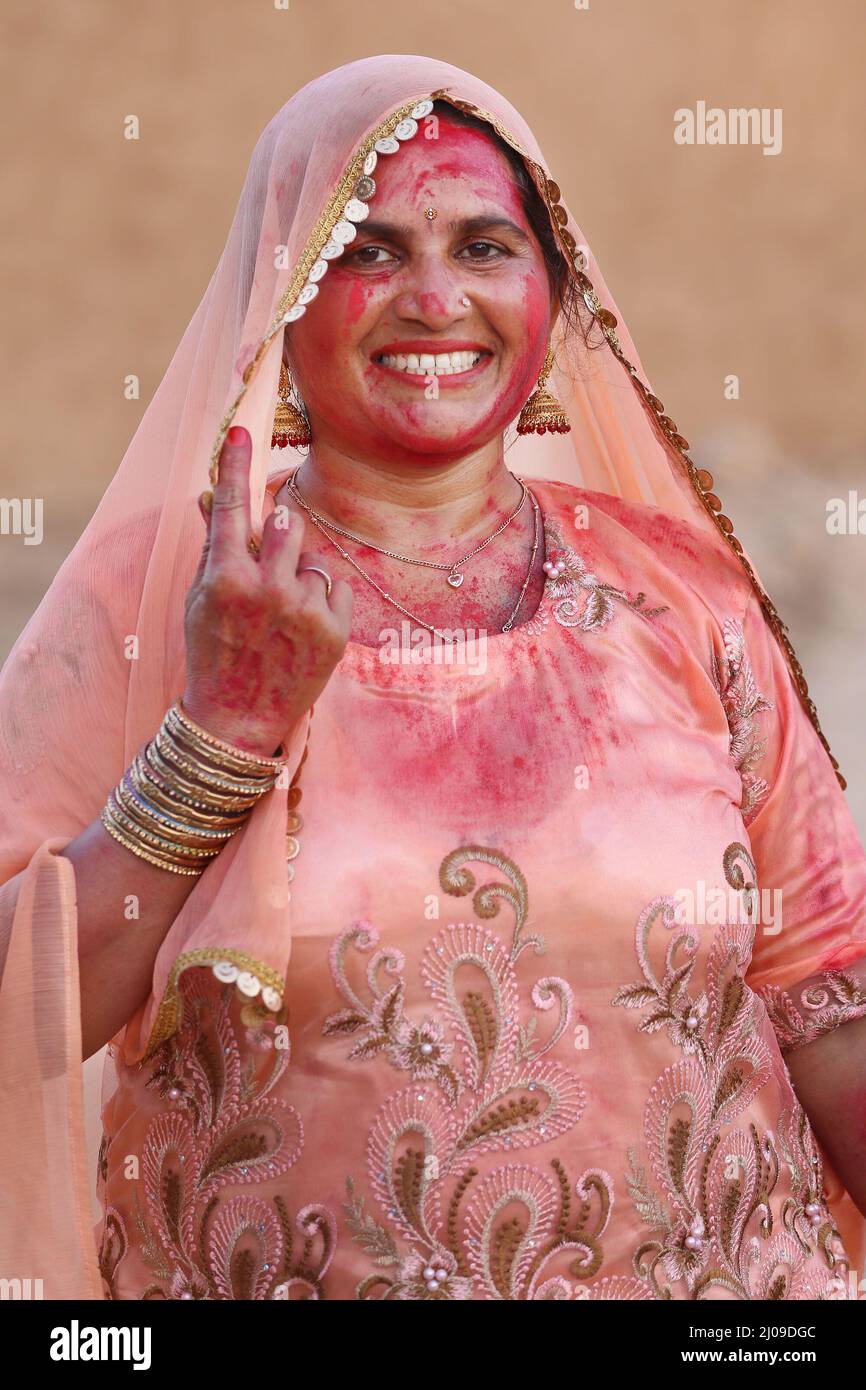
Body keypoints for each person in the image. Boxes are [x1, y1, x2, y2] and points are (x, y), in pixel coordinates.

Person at [1, 54, 865, 1302]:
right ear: (279, 297)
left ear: (552, 295)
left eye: (481, 246)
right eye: (366, 251)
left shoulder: (683, 594)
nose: (432, 298)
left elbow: (823, 1005)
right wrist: (222, 734)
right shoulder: (160, 607)